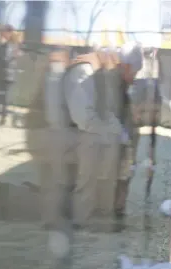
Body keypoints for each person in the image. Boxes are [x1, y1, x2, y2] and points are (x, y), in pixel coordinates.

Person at [60, 42, 143, 231]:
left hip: (96, 133)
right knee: (87, 177)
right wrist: (117, 131)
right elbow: (85, 117)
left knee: (105, 175)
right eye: (133, 72)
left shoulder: (105, 74)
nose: (132, 78)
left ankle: (101, 216)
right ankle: (82, 220)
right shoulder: (85, 72)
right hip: (85, 134)